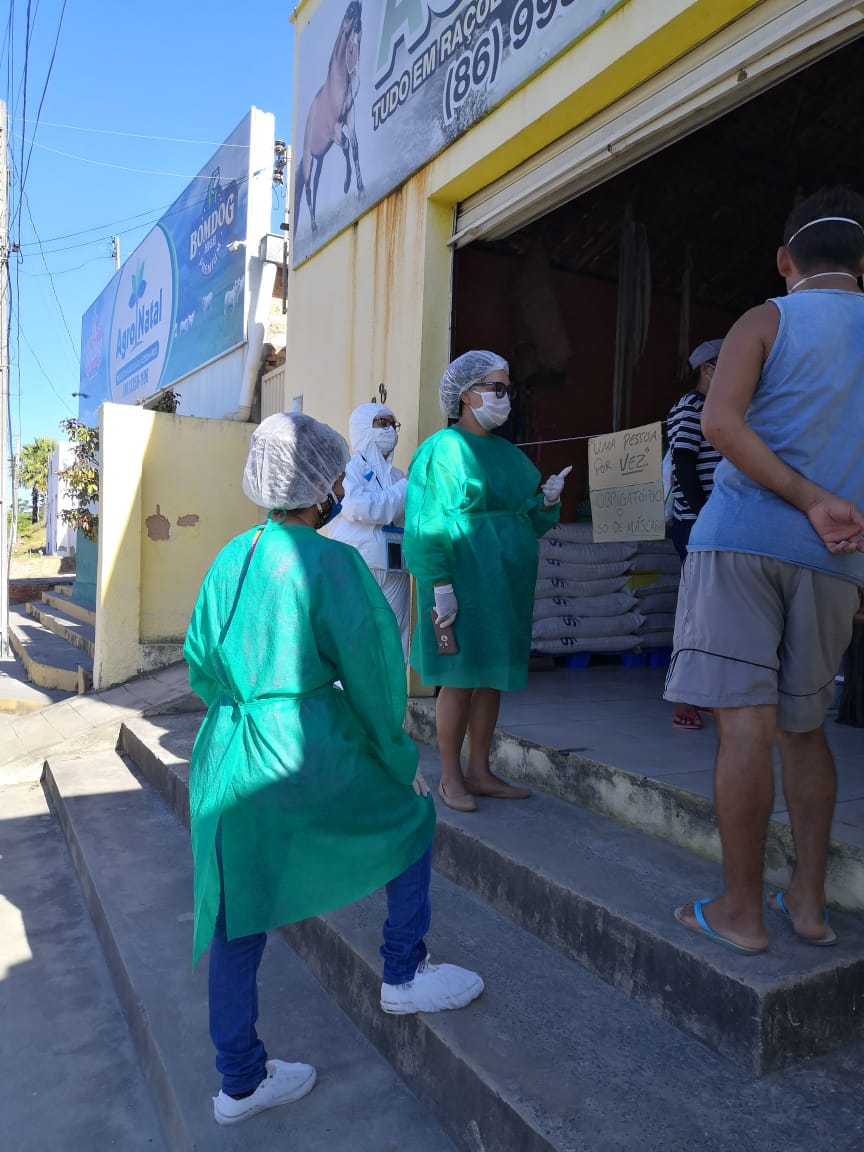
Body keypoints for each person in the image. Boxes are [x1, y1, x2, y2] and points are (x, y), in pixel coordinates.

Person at [184, 412, 483, 1127]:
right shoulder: (331, 562)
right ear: (321, 486)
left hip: (226, 753)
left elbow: (199, 661)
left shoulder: (229, 557)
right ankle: (404, 970)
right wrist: (397, 754)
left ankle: (239, 1082)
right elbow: (377, 675)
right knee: (411, 818)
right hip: (303, 745)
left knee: (234, 913)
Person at [665, 187, 864, 956]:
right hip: (836, 558)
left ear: (786, 260)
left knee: (743, 728)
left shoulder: (766, 318)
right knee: (805, 731)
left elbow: (718, 422)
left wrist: (805, 497)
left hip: (742, 540)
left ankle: (742, 914)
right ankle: (808, 907)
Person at [404, 350, 570, 812]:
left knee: (491, 677)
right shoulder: (443, 450)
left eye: (506, 389)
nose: (504, 397)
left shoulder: (507, 454)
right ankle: (451, 776)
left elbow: (526, 523)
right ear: (465, 394)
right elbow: (426, 522)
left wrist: (547, 503)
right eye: (495, 388)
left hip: (503, 584)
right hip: (461, 579)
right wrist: (439, 584)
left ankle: (480, 770)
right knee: (458, 678)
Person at [665, 338, 724, 730]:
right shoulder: (691, 408)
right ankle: (685, 697)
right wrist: (703, 515)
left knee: (715, 610)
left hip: (714, 525)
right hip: (696, 524)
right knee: (696, 611)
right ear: (708, 369)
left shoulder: (721, 409)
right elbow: (684, 463)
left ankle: (704, 691)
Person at [327, 402, 410, 658]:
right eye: (381, 423)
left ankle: (391, 697)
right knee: (355, 638)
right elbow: (362, 508)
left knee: (394, 643)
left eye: (392, 424)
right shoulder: (348, 469)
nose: (389, 431)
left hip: (395, 566)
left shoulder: (398, 476)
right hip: (358, 563)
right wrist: (405, 489)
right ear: (363, 428)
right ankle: (348, 697)